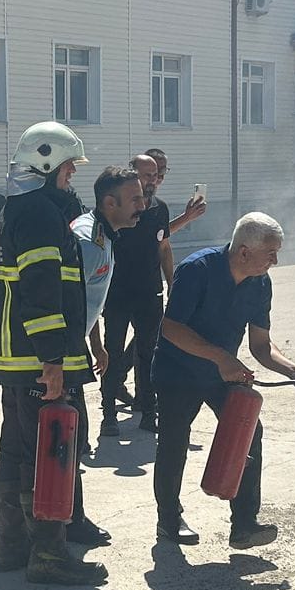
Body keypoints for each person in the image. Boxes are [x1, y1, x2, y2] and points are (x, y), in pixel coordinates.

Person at [151, 212, 295, 549]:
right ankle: (168, 520)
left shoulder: (260, 284)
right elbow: (171, 328)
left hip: (221, 372)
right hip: (178, 372)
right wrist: (221, 357)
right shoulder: (196, 270)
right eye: (270, 253)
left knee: (249, 431)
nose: (275, 260)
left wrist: (293, 371)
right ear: (244, 251)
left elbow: (260, 345)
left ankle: (243, 524)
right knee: (174, 443)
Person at [0, 121, 106, 586]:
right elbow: (40, 291)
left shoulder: (23, 208)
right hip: (37, 359)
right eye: (69, 167)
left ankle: (10, 547)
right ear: (48, 162)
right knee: (47, 453)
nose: (72, 174)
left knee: (15, 449)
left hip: (17, 358)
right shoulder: (37, 213)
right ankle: (49, 555)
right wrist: (53, 361)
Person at [66, 165, 144, 547]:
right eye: (135, 199)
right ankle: (68, 520)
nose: (142, 207)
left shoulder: (105, 234)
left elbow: (87, 302)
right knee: (71, 435)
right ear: (109, 202)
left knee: (75, 435)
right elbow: (66, 298)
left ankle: (66, 516)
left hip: (77, 341)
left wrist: (96, 345)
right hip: (59, 347)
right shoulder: (86, 239)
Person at [99, 154, 171, 436]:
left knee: (149, 353)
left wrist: (171, 282)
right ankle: (108, 415)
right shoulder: (116, 210)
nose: (151, 180)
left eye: (155, 175)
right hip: (116, 294)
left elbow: (164, 247)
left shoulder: (160, 209)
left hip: (149, 292)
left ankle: (148, 412)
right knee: (113, 353)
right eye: (146, 175)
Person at [145, 148, 210, 239]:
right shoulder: (136, 200)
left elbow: (161, 236)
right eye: (156, 170)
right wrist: (186, 217)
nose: (160, 175)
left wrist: (187, 216)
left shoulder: (159, 204)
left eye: (163, 170)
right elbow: (152, 236)